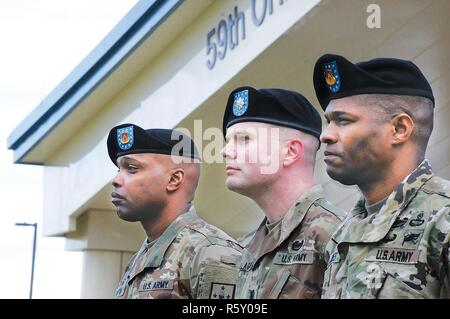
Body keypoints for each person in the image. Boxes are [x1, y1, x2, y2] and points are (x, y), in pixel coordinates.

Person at [313, 53, 450, 298]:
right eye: (328, 121)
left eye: (343, 121)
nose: (325, 135)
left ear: (399, 129)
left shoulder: (443, 219)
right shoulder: (343, 233)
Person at [221, 86, 344, 298]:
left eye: (244, 139)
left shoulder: (334, 235)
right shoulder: (247, 250)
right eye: (228, 140)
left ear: (290, 151)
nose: (225, 151)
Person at [108, 123, 242, 299]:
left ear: (174, 179)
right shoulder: (143, 257)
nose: (116, 180)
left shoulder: (211, 253)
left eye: (132, 169)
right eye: (119, 169)